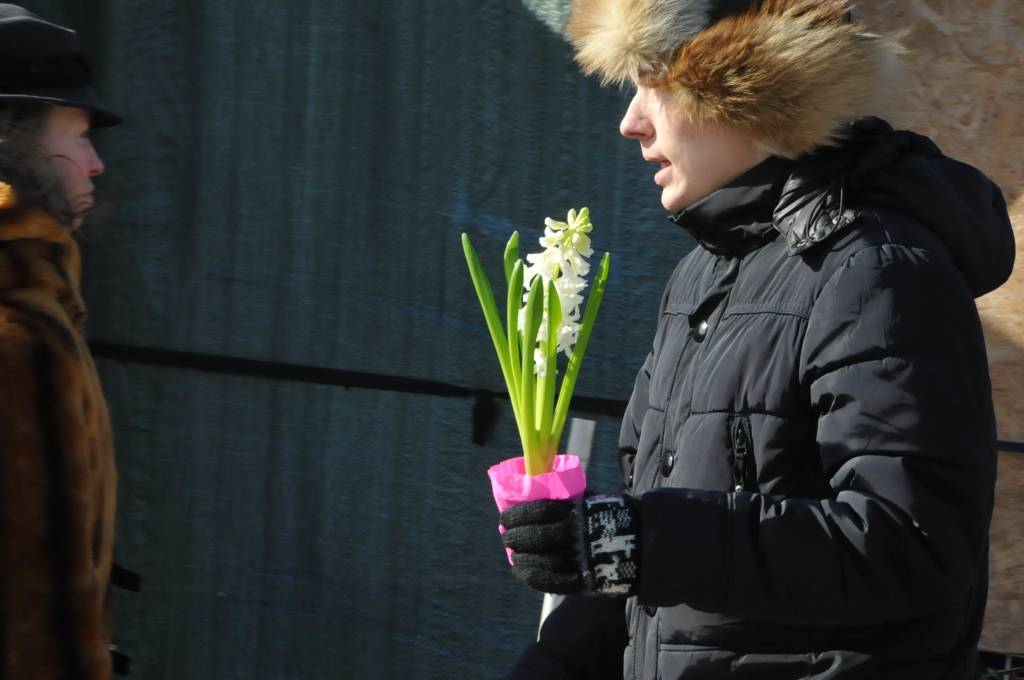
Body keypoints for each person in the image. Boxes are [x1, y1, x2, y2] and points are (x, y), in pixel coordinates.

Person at [500, 1, 1015, 678]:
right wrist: (561, 655)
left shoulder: (878, 270)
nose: (631, 122)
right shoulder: (701, 277)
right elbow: (654, 565)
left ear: (752, 86)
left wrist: (641, 539)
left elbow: (912, 548)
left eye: (653, 82)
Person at [0, 4, 123, 678]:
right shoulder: (20, 328)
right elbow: (36, 601)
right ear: (14, 141)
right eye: (77, 134)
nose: (97, 163)